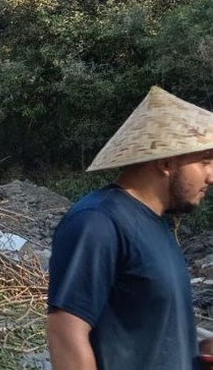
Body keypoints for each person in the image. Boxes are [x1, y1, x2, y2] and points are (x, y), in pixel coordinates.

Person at [47, 86, 213, 370]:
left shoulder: (158, 225)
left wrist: (199, 353)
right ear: (166, 162)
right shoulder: (98, 221)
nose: (210, 177)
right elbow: (65, 332)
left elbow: (150, 341)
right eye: (205, 162)